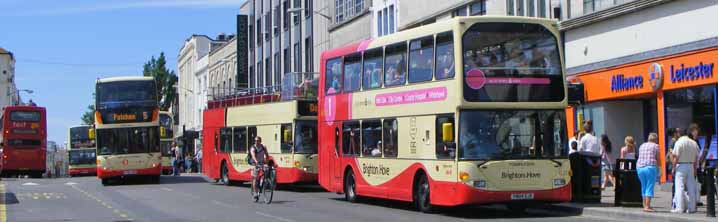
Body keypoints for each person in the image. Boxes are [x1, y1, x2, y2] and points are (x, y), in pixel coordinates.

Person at [671, 126, 700, 213]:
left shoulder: (679, 142)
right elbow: (696, 158)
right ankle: (692, 207)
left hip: (681, 166)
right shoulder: (694, 143)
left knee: (679, 187)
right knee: (691, 187)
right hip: (691, 165)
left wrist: (673, 167)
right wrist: (695, 169)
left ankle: (680, 207)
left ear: (681, 134)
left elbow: (676, 156)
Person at [637, 133, 661, 212]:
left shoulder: (642, 145)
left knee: (643, 186)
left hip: (640, 167)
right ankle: (647, 206)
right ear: (655, 140)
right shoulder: (656, 146)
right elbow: (658, 158)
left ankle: (644, 205)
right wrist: (660, 169)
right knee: (649, 186)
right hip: (650, 167)